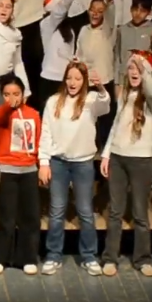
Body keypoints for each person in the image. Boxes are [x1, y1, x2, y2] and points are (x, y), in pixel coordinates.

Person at [40, 60, 111, 276]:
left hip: (83, 163)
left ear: (84, 81)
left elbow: (105, 105)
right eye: (69, 78)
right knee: (57, 210)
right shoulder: (53, 102)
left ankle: (89, 256)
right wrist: (44, 162)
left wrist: (101, 88)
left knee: (85, 211)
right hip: (58, 162)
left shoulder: (91, 100)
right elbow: (46, 132)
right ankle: (53, 255)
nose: (73, 82)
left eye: (78, 79)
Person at [100, 52, 152, 277]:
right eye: (131, 68)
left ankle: (142, 259)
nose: (134, 72)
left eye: (139, 68)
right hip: (118, 158)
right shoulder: (125, 95)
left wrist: (144, 68)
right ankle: (110, 258)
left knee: (140, 214)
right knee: (115, 212)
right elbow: (116, 126)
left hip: (141, 161)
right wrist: (106, 154)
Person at [0, 76, 41, 275]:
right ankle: (0, 257)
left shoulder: (33, 114)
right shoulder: (2, 113)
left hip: (29, 170)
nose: (12, 98)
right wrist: (8, 106)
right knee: (6, 216)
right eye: (7, 94)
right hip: (8, 170)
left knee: (30, 217)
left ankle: (27, 258)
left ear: (23, 94)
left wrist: (39, 164)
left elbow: (38, 140)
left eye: (16, 94)